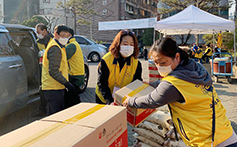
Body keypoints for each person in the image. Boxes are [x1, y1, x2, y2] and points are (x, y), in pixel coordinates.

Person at [123, 37, 237, 147]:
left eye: (163, 62)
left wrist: (130, 101)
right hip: (224, 131)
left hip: (209, 140)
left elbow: (152, 100)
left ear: (177, 57)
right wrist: (152, 85)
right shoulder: (195, 68)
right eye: (155, 63)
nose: (159, 67)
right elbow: (172, 84)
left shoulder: (172, 84)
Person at [95, 29, 142, 105]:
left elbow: (136, 83)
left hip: (123, 100)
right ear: (118, 44)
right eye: (125, 44)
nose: (128, 47)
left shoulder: (136, 63)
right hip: (104, 98)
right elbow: (102, 83)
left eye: (131, 44)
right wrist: (110, 101)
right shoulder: (106, 60)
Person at [41, 25, 76, 115]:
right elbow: (53, 71)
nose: (66, 38)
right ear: (56, 35)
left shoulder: (59, 46)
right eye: (63, 35)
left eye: (68, 36)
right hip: (53, 88)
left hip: (55, 86)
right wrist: (67, 84)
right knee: (54, 115)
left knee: (56, 114)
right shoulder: (55, 48)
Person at [31, 23, 54, 117]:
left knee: (52, 89)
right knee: (43, 88)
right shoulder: (38, 42)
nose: (38, 34)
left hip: (53, 67)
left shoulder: (53, 40)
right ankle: (43, 109)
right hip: (42, 68)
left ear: (44, 31)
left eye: (38, 32)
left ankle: (51, 109)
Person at [64, 27, 84, 108]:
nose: (63, 37)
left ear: (70, 35)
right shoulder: (74, 44)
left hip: (74, 75)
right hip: (77, 74)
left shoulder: (71, 46)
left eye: (65, 35)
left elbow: (62, 58)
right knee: (73, 98)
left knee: (72, 101)